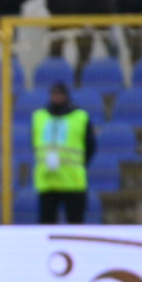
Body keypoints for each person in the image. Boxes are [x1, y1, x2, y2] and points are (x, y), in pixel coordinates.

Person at [32, 83, 97, 224]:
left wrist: (79, 164)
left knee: (75, 224)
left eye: (59, 94)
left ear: (66, 96)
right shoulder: (39, 117)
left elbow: (91, 147)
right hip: (47, 180)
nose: (56, 97)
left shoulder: (80, 117)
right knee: (46, 224)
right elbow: (35, 144)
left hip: (72, 181)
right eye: (53, 94)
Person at [45, 0, 113, 78]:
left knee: (84, 53)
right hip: (60, 16)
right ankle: (56, 83)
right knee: (55, 51)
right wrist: (54, 9)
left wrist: (94, 12)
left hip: (85, 16)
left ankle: (79, 81)